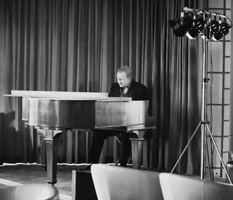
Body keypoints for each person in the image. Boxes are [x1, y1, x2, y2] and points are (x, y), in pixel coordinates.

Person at [89, 65, 149, 167]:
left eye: (122, 79)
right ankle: (91, 164)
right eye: (118, 78)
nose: (119, 81)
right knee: (97, 132)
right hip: (116, 123)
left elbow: (142, 110)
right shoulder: (115, 87)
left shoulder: (140, 89)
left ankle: (122, 165)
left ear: (129, 78)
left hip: (133, 123)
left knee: (126, 133)